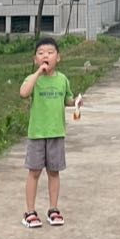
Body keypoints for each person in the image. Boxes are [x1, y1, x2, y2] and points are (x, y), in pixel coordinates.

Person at [19, 37, 72, 228]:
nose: (45, 56)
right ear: (35, 59)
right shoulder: (33, 79)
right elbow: (24, 93)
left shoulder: (62, 79)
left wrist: (76, 103)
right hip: (37, 134)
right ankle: (30, 212)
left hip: (56, 133)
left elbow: (68, 100)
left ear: (58, 57)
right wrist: (38, 74)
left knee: (54, 172)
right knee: (34, 172)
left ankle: (53, 209)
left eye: (50, 53)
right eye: (41, 54)